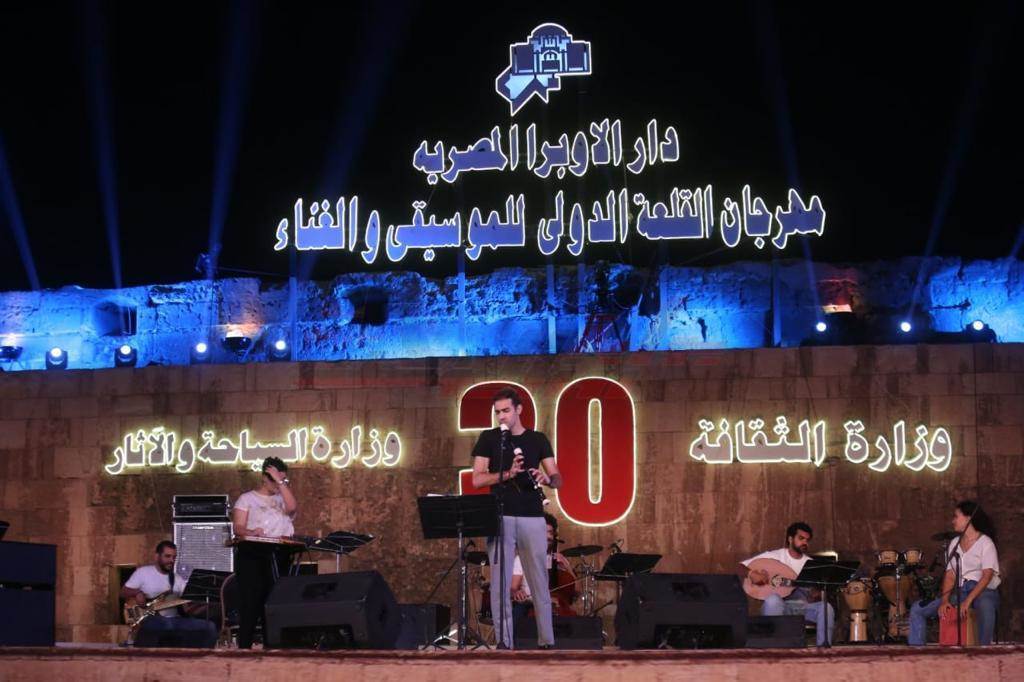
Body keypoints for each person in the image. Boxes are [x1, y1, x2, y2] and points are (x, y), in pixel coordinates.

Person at [472, 387, 563, 649]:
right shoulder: (488, 438)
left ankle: (547, 641)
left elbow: (557, 477)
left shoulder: (537, 439)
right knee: (500, 583)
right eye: (497, 412)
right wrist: (508, 474)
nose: (501, 416)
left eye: (506, 411)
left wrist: (547, 479)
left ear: (519, 409)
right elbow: (477, 479)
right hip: (499, 516)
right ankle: (504, 642)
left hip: (533, 515)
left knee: (539, 580)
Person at [909, 500, 1000, 645]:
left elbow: (986, 576)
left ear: (968, 518)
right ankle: (916, 650)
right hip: (960, 591)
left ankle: (984, 651)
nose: (953, 521)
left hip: (982, 590)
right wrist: (945, 601)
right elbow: (950, 575)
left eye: (956, 516)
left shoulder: (986, 543)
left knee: (985, 606)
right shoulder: (954, 543)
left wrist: (967, 602)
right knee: (917, 609)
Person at [231, 456, 298, 649]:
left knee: (274, 603)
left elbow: (292, 507)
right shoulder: (247, 499)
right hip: (253, 553)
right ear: (263, 478)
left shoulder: (282, 499)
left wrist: (280, 482)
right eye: (275, 480)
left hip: (278, 554)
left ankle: (273, 648)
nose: (279, 484)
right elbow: (238, 527)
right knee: (251, 603)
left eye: (283, 480)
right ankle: (245, 647)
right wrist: (252, 532)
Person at [739, 521, 834, 645]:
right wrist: (752, 574)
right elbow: (740, 567)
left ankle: (823, 648)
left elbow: (815, 592)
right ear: (790, 539)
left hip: (801, 607)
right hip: (777, 605)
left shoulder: (811, 564)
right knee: (773, 600)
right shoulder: (773, 556)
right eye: (801, 538)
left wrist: (815, 594)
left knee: (826, 607)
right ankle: (773, 648)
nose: (805, 542)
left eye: (807, 540)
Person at [121, 540, 218, 648]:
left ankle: (197, 657)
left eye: (174, 557)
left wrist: (206, 605)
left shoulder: (177, 579)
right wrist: (137, 593)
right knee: (164, 624)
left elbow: (187, 608)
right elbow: (123, 592)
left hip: (175, 621)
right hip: (149, 620)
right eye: (167, 556)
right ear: (157, 556)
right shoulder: (143, 573)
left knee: (210, 627)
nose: (172, 560)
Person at [510, 512, 577, 623]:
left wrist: (567, 565)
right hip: (530, 604)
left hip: (557, 606)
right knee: (518, 613)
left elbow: (575, 589)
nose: (547, 537)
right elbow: (513, 588)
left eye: (550, 533)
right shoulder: (521, 559)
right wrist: (517, 593)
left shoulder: (558, 560)